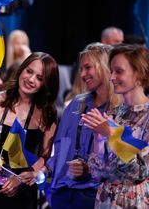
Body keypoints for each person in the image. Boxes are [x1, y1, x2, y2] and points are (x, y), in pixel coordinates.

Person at [45, 43, 121, 208]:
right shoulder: (76, 104)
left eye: (88, 68)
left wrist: (89, 169)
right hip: (63, 194)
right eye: (81, 69)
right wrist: (51, 185)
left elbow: (123, 163)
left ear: (104, 66)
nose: (83, 74)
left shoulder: (122, 110)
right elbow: (60, 146)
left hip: (96, 197)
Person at [0, 52, 59, 208]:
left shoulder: (47, 115)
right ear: (21, 70)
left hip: (23, 196)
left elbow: (44, 157)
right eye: (29, 71)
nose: (30, 79)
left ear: (46, 84)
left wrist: (23, 178)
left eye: (39, 78)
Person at [82, 44, 149, 208]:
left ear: (139, 74)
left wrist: (111, 133)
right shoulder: (113, 113)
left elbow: (139, 173)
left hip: (135, 202)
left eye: (119, 71)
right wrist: (98, 138)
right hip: (105, 201)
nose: (111, 77)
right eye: (111, 71)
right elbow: (98, 173)